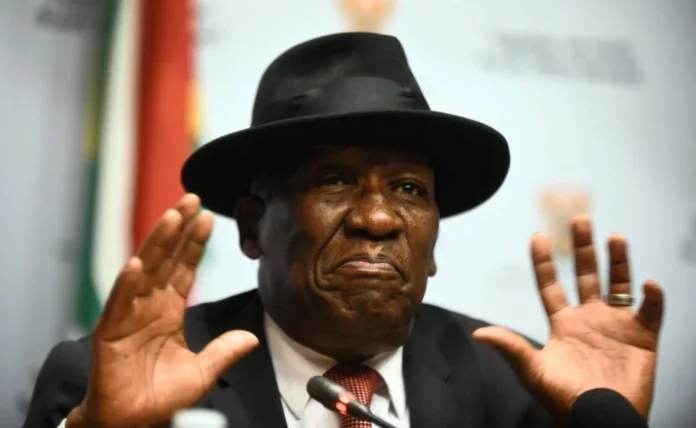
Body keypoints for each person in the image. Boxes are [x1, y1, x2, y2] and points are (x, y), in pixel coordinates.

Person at [23, 32, 664, 428]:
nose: (378, 219)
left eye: (409, 190)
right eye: (333, 181)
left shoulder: (525, 391)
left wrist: (609, 422)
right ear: (252, 226)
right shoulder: (103, 385)